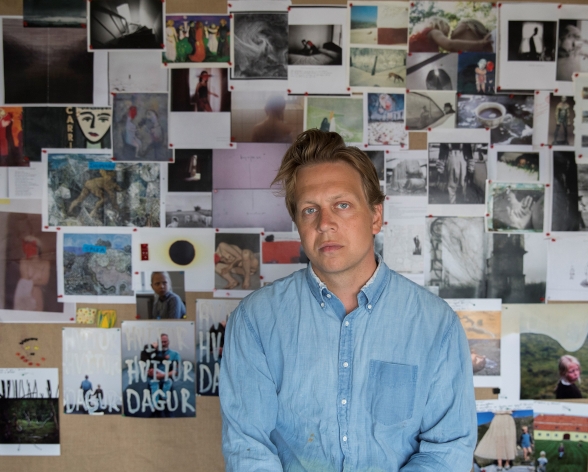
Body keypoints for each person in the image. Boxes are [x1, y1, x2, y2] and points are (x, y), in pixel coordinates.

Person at [219, 129, 476, 470]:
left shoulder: (436, 324)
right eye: (310, 210)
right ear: (298, 225)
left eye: (342, 205)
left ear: (375, 217)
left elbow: (447, 450)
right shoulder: (255, 320)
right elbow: (248, 448)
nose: (325, 223)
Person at [142, 333, 181, 417]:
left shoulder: (175, 354)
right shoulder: (151, 353)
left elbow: (176, 371)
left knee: (168, 410)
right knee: (154, 410)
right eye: (161, 342)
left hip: (167, 386)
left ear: (168, 342)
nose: (163, 343)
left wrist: (162, 376)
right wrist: (148, 371)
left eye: (165, 341)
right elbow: (144, 364)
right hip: (152, 384)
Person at [409, 17, 492, 53]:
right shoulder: (434, 32)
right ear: (440, 26)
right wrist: (480, 43)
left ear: (468, 27)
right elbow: (450, 44)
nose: (450, 33)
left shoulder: (429, 40)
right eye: (445, 34)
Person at [13, 235, 49, 311]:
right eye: (25, 247)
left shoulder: (45, 263)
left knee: (37, 314)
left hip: (37, 293)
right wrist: (35, 281)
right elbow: (25, 280)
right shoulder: (24, 261)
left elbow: (44, 281)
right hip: (25, 292)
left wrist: (31, 281)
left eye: (31, 247)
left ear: (38, 248)